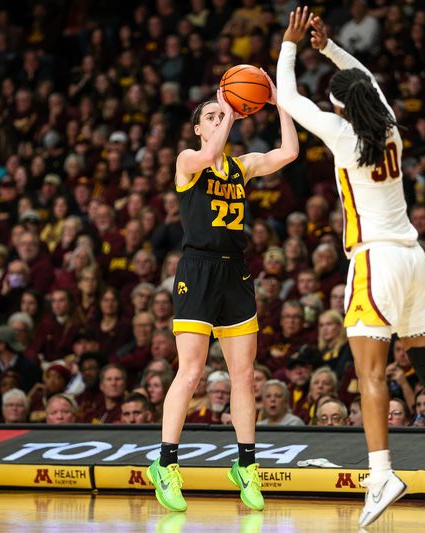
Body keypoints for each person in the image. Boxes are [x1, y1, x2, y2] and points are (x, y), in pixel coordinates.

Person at [277, 9, 425, 526]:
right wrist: (330, 47)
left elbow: (289, 99)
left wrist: (291, 45)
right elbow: (365, 79)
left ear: (340, 107)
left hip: (375, 260)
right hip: (414, 259)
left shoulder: (344, 136)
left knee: (370, 373)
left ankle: (381, 473)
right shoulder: (390, 128)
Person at [148, 32, 299, 515]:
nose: (220, 119)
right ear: (197, 128)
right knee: (190, 371)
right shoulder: (189, 161)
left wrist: (279, 103)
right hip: (197, 269)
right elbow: (211, 153)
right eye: (211, 117)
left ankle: (247, 467)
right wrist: (228, 109)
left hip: (236, 271)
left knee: (243, 376)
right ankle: (166, 464)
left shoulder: (241, 167)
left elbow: (289, 153)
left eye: (223, 114)